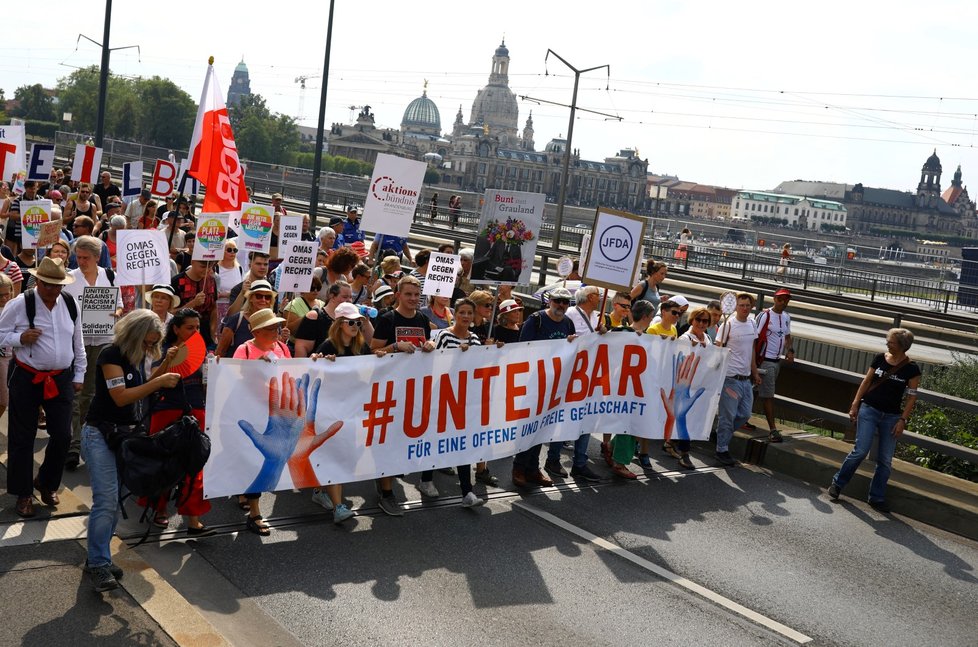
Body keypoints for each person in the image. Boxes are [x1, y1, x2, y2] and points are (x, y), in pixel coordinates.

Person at [82, 310, 181, 592]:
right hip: (101, 434)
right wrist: (159, 380)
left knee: (114, 502)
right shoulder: (110, 355)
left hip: (124, 437)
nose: (151, 348)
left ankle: (98, 557)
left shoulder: (137, 357)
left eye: (154, 344)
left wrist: (164, 368)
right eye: (149, 343)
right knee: (106, 500)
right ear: (136, 336)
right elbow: (121, 395)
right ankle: (98, 562)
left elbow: (141, 388)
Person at [0, 257, 85, 518]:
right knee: (22, 437)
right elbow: (1, 333)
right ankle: (24, 493)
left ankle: (46, 483)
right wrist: (19, 338)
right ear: (39, 281)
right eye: (48, 284)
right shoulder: (20, 303)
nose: (53, 290)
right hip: (27, 376)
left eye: (58, 285)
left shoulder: (70, 304)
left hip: (60, 377)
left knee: (62, 435)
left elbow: (77, 341)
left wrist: (79, 372)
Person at [313, 303, 399, 517]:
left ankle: (319, 489)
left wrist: (380, 357)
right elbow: (315, 373)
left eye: (357, 322)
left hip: (353, 406)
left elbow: (369, 370)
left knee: (344, 451)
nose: (355, 326)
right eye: (350, 322)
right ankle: (338, 507)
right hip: (331, 407)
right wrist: (321, 361)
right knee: (337, 452)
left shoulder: (361, 346)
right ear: (339, 324)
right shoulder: (327, 346)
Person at [829, 329, 921, 513]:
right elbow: (866, 381)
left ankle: (876, 497)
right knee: (860, 450)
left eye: (891, 342)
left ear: (902, 346)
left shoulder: (912, 369)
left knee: (885, 460)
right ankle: (838, 484)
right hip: (869, 410)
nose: (887, 344)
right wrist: (855, 404)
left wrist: (902, 420)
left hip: (891, 416)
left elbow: (911, 397)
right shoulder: (880, 358)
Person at [512, 287, 595, 488]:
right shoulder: (536, 319)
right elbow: (523, 348)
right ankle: (519, 467)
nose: (561, 305)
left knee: (543, 427)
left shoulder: (567, 323)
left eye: (566, 302)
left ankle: (533, 468)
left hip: (554, 384)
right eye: (558, 300)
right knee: (528, 426)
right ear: (550, 301)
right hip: (534, 382)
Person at [145, 308, 213, 535]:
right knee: (164, 460)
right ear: (175, 329)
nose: (195, 331)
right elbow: (151, 383)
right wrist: (168, 361)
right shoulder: (161, 350)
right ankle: (160, 509)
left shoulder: (203, 350)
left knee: (195, 462)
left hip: (195, 408)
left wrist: (215, 368)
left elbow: (207, 383)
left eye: (198, 328)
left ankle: (193, 519)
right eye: (189, 328)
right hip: (166, 408)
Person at [64, 236, 124, 470]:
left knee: (91, 392)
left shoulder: (110, 276)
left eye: (85, 258)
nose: (80, 262)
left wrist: (117, 312)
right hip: (76, 343)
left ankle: (86, 441)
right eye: (77, 257)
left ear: (97, 257)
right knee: (76, 392)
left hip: (102, 342)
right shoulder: (69, 278)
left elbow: (120, 304)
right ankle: (74, 444)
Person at [231, 308, 293, 535]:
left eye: (276, 326)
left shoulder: (283, 347)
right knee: (254, 460)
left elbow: (294, 373)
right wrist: (256, 364)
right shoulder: (244, 349)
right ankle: (255, 513)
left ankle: (246, 494)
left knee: (268, 459)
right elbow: (234, 377)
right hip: (252, 413)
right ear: (256, 331)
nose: (276, 331)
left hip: (277, 415)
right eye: (270, 328)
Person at [422, 298, 489, 506]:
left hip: (464, 399)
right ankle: (426, 479)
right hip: (442, 396)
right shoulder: (444, 335)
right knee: (437, 438)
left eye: (470, 313)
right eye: (462, 313)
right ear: (455, 314)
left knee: (462, 442)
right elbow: (434, 364)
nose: (466, 317)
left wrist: (494, 351)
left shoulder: (476, 339)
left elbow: (479, 368)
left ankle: (467, 493)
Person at [608, 299, 657, 478]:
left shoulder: (646, 338)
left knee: (632, 423)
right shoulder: (622, 332)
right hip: (623, 386)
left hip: (635, 386)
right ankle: (620, 462)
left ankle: (613, 448)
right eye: (651, 317)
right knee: (629, 423)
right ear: (645, 317)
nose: (652, 320)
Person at [714, 293, 762, 466]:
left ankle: (721, 435)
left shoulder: (752, 323)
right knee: (728, 416)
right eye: (741, 305)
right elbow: (717, 347)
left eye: (748, 305)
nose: (745, 308)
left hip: (745, 378)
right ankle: (722, 449)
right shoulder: (728, 325)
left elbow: (752, 351)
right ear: (735, 307)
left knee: (744, 414)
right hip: (730, 377)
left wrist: (755, 373)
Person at [754, 288, 795, 443]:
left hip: (777, 360)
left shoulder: (786, 317)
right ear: (774, 299)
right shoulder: (764, 315)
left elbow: (787, 336)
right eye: (780, 299)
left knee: (756, 390)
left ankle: (741, 418)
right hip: (765, 361)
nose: (783, 302)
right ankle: (772, 429)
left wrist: (790, 350)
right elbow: (755, 338)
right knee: (768, 395)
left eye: (786, 299)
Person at [295, 281, 373, 357]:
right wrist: (303, 368)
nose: (349, 300)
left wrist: (366, 321)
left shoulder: (355, 318)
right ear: (332, 297)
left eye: (351, 297)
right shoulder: (315, 316)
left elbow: (370, 344)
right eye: (345, 297)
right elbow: (302, 348)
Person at [216, 280, 276, 358]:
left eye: (267, 297)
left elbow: (276, 348)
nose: (263, 300)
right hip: (237, 368)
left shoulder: (274, 322)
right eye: (259, 296)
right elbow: (220, 351)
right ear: (250, 298)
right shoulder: (236, 320)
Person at [171, 260, 219, 348]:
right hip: (183, 339)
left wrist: (213, 332)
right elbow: (171, 313)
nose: (207, 270)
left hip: (206, 336)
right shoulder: (177, 282)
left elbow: (214, 308)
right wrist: (193, 303)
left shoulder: (211, 281)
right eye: (203, 267)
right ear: (192, 262)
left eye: (210, 267)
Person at [284, 276, 323, 342]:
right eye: (312, 288)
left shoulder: (323, 304)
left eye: (318, 288)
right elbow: (289, 329)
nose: (315, 290)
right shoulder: (293, 305)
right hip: (297, 345)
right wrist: (307, 316)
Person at [216, 239, 243, 327]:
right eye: (229, 250)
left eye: (235, 250)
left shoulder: (239, 268)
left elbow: (242, 289)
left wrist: (228, 294)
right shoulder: (216, 268)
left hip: (236, 307)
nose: (232, 252)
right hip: (218, 308)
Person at [0, 274, 15, 421]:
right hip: (1, 359)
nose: (5, 298)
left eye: (7, 294)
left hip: (11, 358)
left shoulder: (14, 307)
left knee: (5, 401)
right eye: (0, 295)